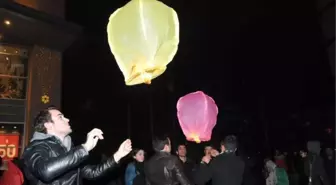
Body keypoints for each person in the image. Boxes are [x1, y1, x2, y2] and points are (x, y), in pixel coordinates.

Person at [22, 107, 132, 185]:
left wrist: (118, 155)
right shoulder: (35, 147)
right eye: (61, 117)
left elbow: (92, 173)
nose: (67, 119)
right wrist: (84, 148)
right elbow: (45, 171)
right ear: (48, 125)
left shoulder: (69, 148)